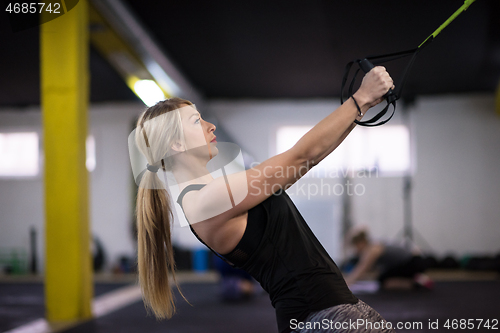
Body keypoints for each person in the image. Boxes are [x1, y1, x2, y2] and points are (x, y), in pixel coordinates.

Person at [134, 66, 396, 333]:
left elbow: (309, 158)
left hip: (328, 311)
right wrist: (359, 98)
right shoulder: (205, 201)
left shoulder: (210, 195)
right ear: (176, 145)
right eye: (195, 121)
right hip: (322, 316)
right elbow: (301, 157)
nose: (210, 125)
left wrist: (361, 106)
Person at [344, 227, 433, 290]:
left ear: (361, 242)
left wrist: (346, 283)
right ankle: (417, 280)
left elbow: (362, 268)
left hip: (413, 262)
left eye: (355, 246)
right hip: (412, 261)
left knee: (383, 280)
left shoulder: (372, 249)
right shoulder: (373, 246)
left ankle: (416, 283)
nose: (355, 250)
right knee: (382, 278)